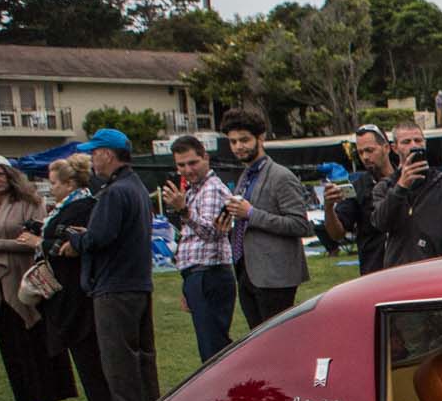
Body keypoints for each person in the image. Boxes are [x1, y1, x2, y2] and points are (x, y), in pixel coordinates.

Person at [0, 155, 70, 401]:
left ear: (9, 175)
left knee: (36, 341)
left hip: (24, 281)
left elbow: (34, 240)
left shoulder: (29, 202)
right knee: (9, 344)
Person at [75, 129, 160, 401]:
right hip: (138, 282)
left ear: (107, 154)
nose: (92, 159)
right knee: (143, 355)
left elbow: (100, 238)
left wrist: (76, 242)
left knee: (118, 355)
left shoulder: (114, 192)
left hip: (115, 285)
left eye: (94, 153)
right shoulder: (135, 187)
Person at [36, 157, 112, 401]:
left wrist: (41, 242)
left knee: (88, 347)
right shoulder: (67, 207)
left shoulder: (83, 207)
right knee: (81, 348)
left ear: (69, 183)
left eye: (54, 183)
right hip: (66, 288)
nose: (51, 187)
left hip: (77, 289)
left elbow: (72, 244)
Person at [220, 107, 313, 328]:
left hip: (275, 277)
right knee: (257, 342)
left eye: (244, 140)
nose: (238, 147)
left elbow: (301, 224)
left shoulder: (280, 176)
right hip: (247, 271)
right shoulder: (246, 175)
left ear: (260, 138)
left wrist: (251, 213)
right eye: (233, 142)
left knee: (277, 343)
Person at [156, 136, 237, 363]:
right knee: (209, 346)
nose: (187, 170)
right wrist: (187, 282)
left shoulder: (212, 189)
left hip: (210, 274)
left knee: (214, 349)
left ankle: (223, 394)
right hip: (197, 274)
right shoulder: (194, 190)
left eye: (193, 163)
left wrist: (184, 211)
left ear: (206, 158)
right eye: (181, 165)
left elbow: (213, 233)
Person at [372, 121, 442, 267]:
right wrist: (401, 187)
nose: (414, 146)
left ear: (425, 143)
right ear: (394, 148)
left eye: (418, 140)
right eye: (406, 142)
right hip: (399, 273)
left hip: (438, 272)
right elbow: (380, 223)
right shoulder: (385, 188)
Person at [321, 122, 397, 273]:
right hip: (374, 271)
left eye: (370, 150)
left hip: (409, 267)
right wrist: (329, 207)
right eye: (360, 152)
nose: (365, 157)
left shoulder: (405, 179)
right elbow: (337, 234)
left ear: (386, 148)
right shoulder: (357, 187)